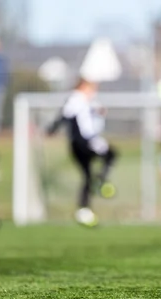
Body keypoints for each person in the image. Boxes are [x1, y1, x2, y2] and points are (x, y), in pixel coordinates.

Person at [47, 79, 117, 227]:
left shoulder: (88, 101)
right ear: (84, 87)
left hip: (85, 142)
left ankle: (84, 209)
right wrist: (53, 128)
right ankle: (101, 181)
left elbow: (95, 111)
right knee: (110, 154)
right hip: (83, 142)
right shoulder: (76, 98)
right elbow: (65, 115)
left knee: (87, 176)